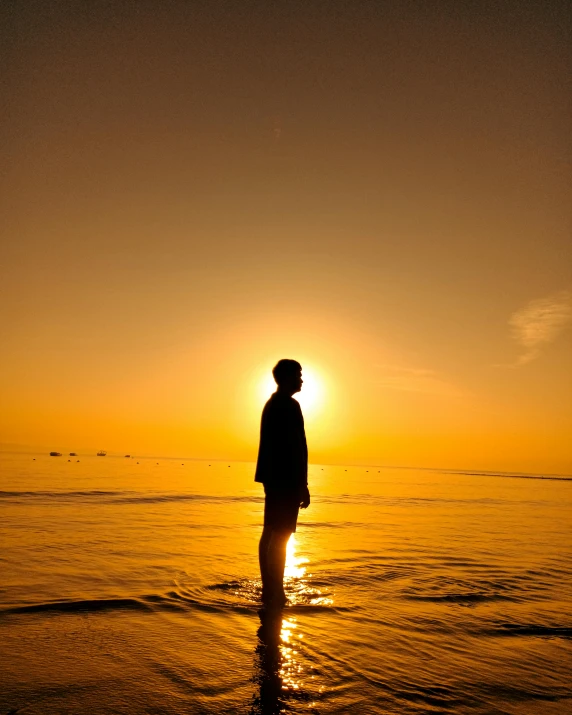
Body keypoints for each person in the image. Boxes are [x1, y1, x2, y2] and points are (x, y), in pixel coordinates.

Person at [255, 359, 310, 606]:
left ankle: (270, 588)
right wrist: (302, 484)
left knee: (270, 532)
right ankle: (275, 592)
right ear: (286, 377)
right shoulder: (287, 405)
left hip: (275, 478)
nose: (301, 379)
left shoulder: (274, 404)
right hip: (285, 480)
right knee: (281, 535)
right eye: (298, 375)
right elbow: (295, 449)